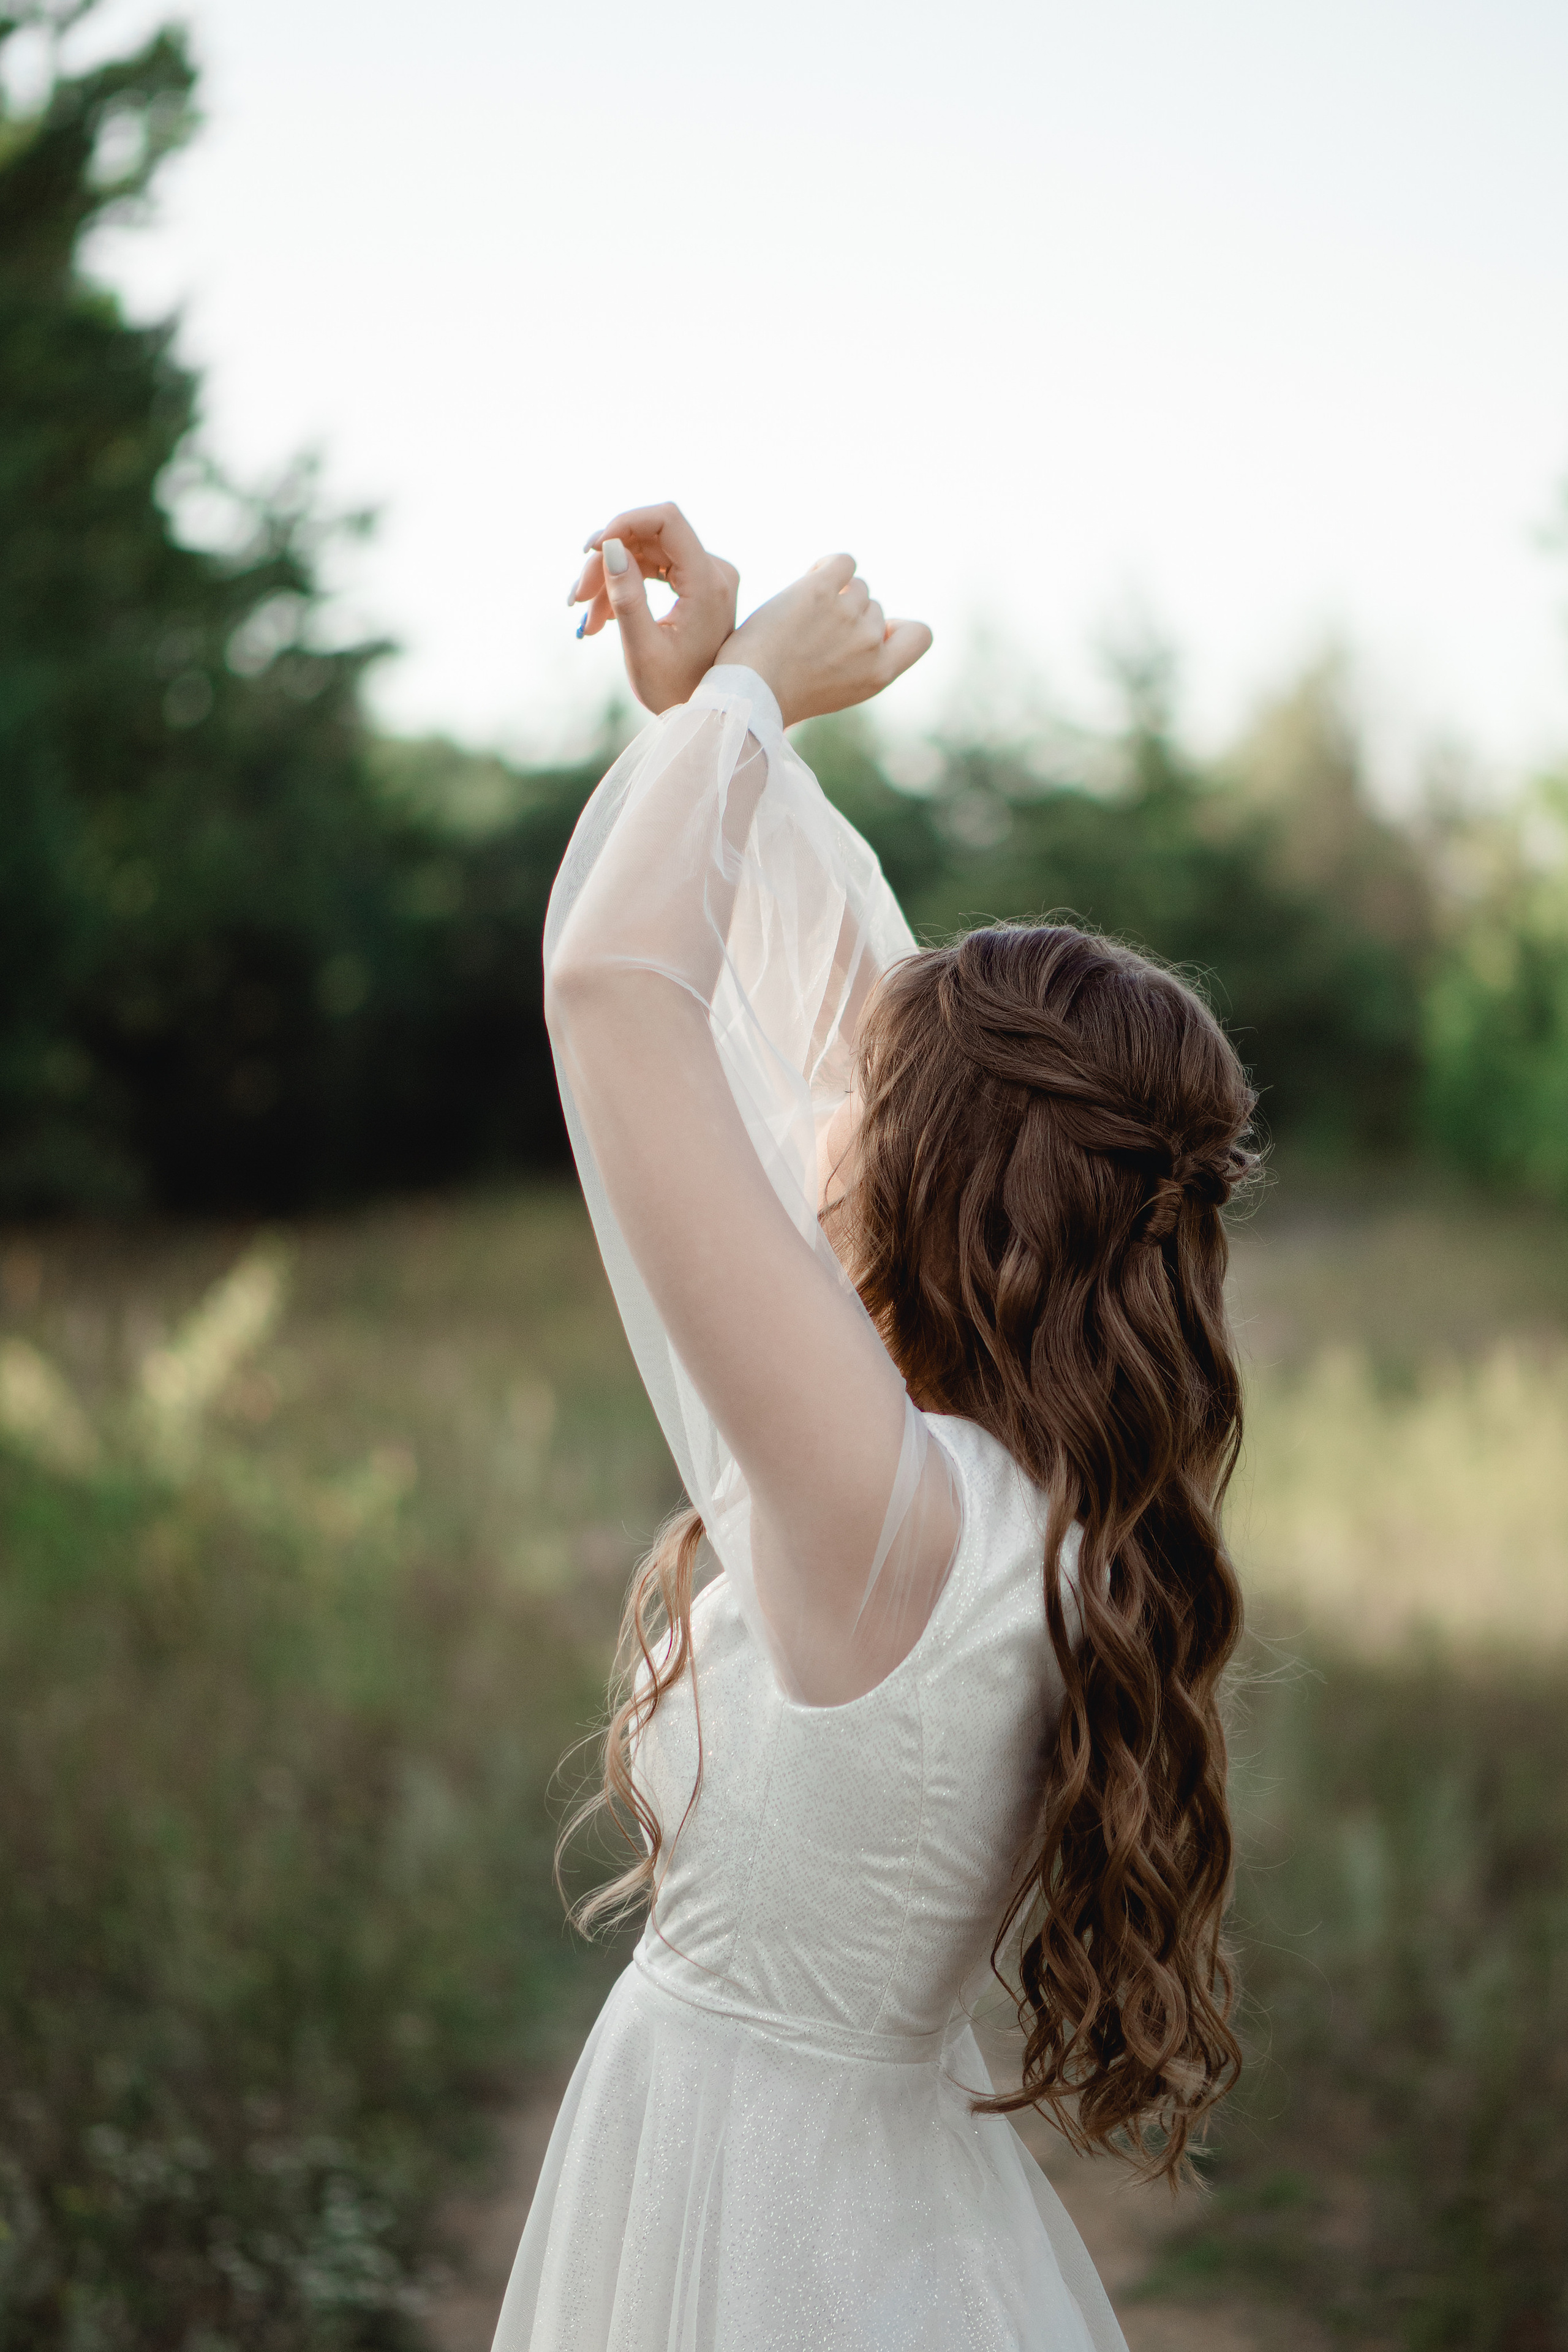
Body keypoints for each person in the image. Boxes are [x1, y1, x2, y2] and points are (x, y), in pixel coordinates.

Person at [492, 505, 1257, 2352]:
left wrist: (754, 699)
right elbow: (852, 1013)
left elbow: (616, 994)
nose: (832, 1111)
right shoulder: (1013, 1486)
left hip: (762, 2237)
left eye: (876, 1102)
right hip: (860, 2197)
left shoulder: (882, 1499)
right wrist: (706, 726)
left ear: (943, 1177)